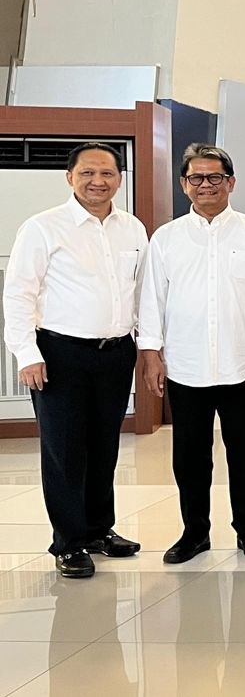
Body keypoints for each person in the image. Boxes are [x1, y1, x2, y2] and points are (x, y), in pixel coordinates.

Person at [4, 143, 147, 578]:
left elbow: (139, 292)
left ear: (119, 178)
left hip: (115, 353)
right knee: (65, 449)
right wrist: (27, 353)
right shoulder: (43, 227)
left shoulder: (133, 228)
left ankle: (99, 529)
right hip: (59, 354)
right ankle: (69, 542)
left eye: (107, 173)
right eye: (88, 173)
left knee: (105, 445)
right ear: (70, 177)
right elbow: (18, 293)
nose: (97, 181)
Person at [137, 145, 245, 566]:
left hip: (242, 362)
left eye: (214, 177)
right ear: (184, 185)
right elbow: (152, 299)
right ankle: (194, 532)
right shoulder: (166, 238)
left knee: (244, 453)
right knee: (189, 456)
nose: (205, 185)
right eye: (196, 178)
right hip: (186, 365)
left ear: (231, 183)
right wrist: (151, 352)